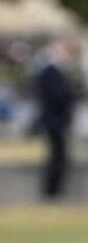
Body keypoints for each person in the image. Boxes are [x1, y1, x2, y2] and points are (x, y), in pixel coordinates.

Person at [34, 40, 77, 200]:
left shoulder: (58, 73)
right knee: (56, 155)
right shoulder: (50, 73)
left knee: (59, 155)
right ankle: (51, 190)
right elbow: (57, 96)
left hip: (58, 120)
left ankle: (55, 189)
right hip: (54, 121)